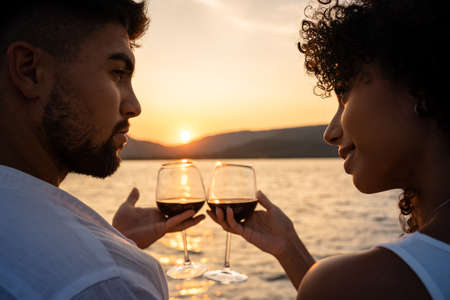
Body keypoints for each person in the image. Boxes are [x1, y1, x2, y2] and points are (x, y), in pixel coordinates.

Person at [209, 0, 450, 299]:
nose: (330, 133)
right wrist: (288, 248)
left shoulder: (356, 283)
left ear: (418, 81)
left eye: (344, 94)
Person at [0, 1, 204, 299]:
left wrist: (117, 240)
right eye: (118, 73)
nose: (134, 106)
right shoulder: (104, 282)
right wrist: (108, 255)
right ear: (30, 70)